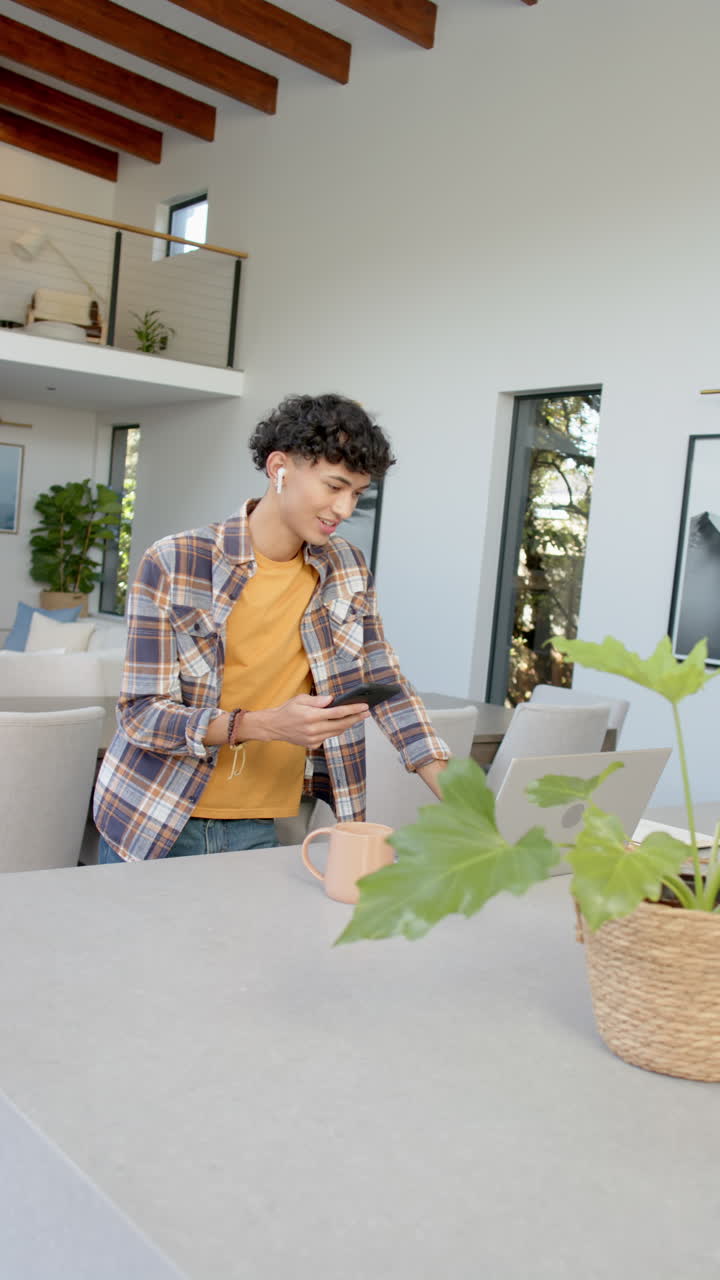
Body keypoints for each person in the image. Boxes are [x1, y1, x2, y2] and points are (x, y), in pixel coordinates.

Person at [94, 394, 450, 862]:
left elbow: (386, 684)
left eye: (357, 494)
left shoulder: (346, 567)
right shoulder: (177, 560)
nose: (344, 509)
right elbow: (141, 716)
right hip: (157, 817)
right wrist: (263, 725)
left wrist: (463, 798)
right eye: (334, 486)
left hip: (262, 822)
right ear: (279, 467)